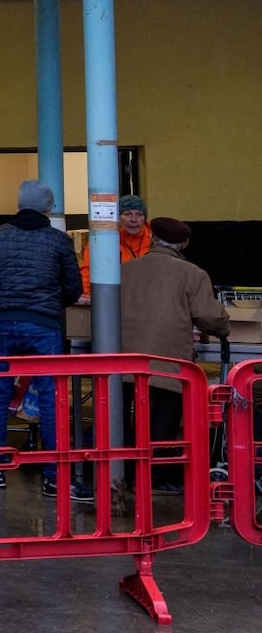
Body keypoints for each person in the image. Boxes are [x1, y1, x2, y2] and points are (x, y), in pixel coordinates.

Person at [0, 180, 82, 499]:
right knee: (50, 397)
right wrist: (46, 302)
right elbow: (73, 288)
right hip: (44, 325)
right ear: (49, 207)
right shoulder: (59, 242)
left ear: (19, 204)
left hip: (3, 322)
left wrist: (4, 297)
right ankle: (53, 476)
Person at [120, 216, 229, 492]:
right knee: (163, 420)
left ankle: (123, 472)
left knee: (124, 417)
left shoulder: (126, 269)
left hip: (123, 360)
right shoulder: (192, 273)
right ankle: (155, 478)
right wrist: (224, 325)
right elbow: (209, 316)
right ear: (184, 244)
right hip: (166, 360)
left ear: (153, 238)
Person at [81, 193, 153, 298]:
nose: (133, 219)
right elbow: (89, 271)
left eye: (139, 214)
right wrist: (86, 296)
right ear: (117, 218)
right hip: (114, 298)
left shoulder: (155, 240)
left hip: (148, 298)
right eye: (127, 214)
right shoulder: (102, 240)